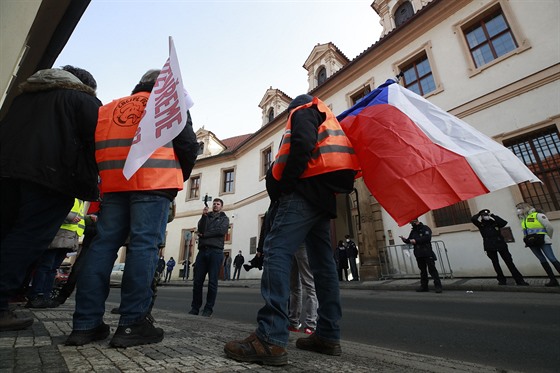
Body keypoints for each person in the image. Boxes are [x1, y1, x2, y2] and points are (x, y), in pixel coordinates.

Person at [224, 94, 359, 366]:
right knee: (323, 265)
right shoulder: (326, 117)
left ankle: (270, 338)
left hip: (301, 193)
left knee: (276, 251)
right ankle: (328, 334)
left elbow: (301, 144)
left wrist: (286, 184)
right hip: (322, 197)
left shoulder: (302, 111)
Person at [65, 69, 198, 347]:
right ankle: (131, 325)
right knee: (143, 247)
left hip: (114, 184)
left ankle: (85, 325)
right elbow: (187, 145)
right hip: (154, 181)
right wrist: (177, 178)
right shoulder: (169, 102)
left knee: (102, 247)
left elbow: (92, 146)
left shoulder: (110, 107)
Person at [0, 66, 101, 332]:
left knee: (6, 233)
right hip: (50, 178)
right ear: (85, 86)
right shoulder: (83, 100)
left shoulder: (24, 98)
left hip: (7, 172)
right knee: (26, 239)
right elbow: (97, 142)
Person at [26, 199, 85, 308]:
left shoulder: (80, 200)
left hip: (68, 237)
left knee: (52, 268)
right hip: (58, 234)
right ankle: (36, 296)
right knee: (46, 267)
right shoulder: (71, 195)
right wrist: (69, 217)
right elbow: (56, 209)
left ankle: (44, 296)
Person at [55, 198, 101, 305]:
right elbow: (84, 227)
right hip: (91, 241)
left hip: (96, 241)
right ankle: (62, 296)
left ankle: (63, 297)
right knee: (77, 270)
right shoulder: (94, 208)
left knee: (83, 271)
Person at [189, 198, 230, 317]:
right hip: (202, 251)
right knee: (197, 281)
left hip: (216, 252)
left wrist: (205, 234)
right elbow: (200, 229)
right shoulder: (206, 217)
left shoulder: (224, 219)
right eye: (214, 204)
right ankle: (195, 307)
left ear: (221, 207)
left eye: (218, 204)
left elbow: (221, 231)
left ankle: (208, 309)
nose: (215, 205)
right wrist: (203, 216)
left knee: (212, 282)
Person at [471, 209, 529, 286]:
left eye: (486, 215)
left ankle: (519, 280)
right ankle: (501, 280)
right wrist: (479, 213)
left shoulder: (495, 223)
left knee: (509, 262)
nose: (486, 217)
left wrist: (492, 215)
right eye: (484, 215)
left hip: (500, 244)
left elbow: (504, 223)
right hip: (490, 246)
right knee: (496, 264)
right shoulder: (481, 225)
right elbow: (473, 219)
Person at [517, 202, 560, 286]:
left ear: (525, 208)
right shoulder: (523, 219)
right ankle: (553, 280)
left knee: (551, 258)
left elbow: (549, 227)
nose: (518, 211)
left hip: (543, 240)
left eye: (519, 208)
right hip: (531, 242)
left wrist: (548, 237)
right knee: (542, 260)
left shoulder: (538, 215)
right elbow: (526, 231)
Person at [399, 219, 442, 293]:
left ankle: (438, 286)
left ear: (415, 222)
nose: (411, 224)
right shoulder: (413, 231)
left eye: (411, 223)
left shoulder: (425, 228)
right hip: (418, 254)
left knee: (432, 270)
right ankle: (424, 286)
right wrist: (405, 240)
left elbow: (427, 238)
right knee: (423, 271)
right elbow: (410, 240)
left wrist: (416, 241)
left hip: (427, 252)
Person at [288, 244, 318, 335]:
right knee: (295, 286)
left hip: (301, 243)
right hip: (291, 244)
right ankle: (294, 322)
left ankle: (310, 325)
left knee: (309, 285)